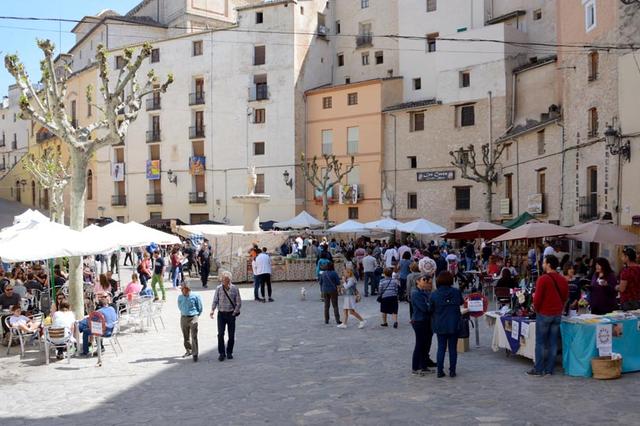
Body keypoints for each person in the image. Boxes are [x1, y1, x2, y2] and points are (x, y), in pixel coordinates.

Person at [528, 255, 568, 377]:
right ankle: (550, 369)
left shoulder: (543, 279)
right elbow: (565, 297)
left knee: (540, 342)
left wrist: (535, 308)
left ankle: (539, 369)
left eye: (544, 263)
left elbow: (537, 299)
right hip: (557, 314)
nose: (542, 265)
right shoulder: (562, 279)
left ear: (549, 264)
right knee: (553, 343)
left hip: (545, 313)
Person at [430, 271, 463, 378]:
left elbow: (430, 309)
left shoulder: (434, 294)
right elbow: (461, 302)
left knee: (441, 348)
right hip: (454, 323)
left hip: (440, 324)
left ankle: (440, 371)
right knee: (453, 349)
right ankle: (452, 371)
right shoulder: (456, 292)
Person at [210, 270, 241, 362]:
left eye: (226, 280)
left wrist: (234, 312)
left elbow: (238, 302)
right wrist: (212, 310)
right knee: (220, 334)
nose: (224, 282)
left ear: (229, 280)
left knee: (231, 336)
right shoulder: (219, 288)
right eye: (223, 280)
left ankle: (229, 352)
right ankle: (222, 353)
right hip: (221, 314)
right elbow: (215, 300)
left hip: (231, 314)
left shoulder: (235, 288)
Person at [411, 273, 436, 375]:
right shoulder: (416, 293)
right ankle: (415, 367)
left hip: (427, 321)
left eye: (429, 282)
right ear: (417, 281)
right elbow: (425, 308)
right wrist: (431, 306)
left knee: (427, 344)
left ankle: (424, 365)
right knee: (420, 344)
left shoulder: (426, 292)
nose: (427, 283)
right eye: (424, 281)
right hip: (419, 321)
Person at [178, 283, 202, 362]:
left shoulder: (195, 296)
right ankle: (189, 350)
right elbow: (179, 306)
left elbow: (200, 307)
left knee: (194, 336)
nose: (184, 292)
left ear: (189, 289)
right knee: (186, 336)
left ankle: (195, 354)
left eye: (186, 290)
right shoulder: (180, 297)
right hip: (184, 317)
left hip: (193, 317)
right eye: (183, 290)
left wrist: (197, 315)